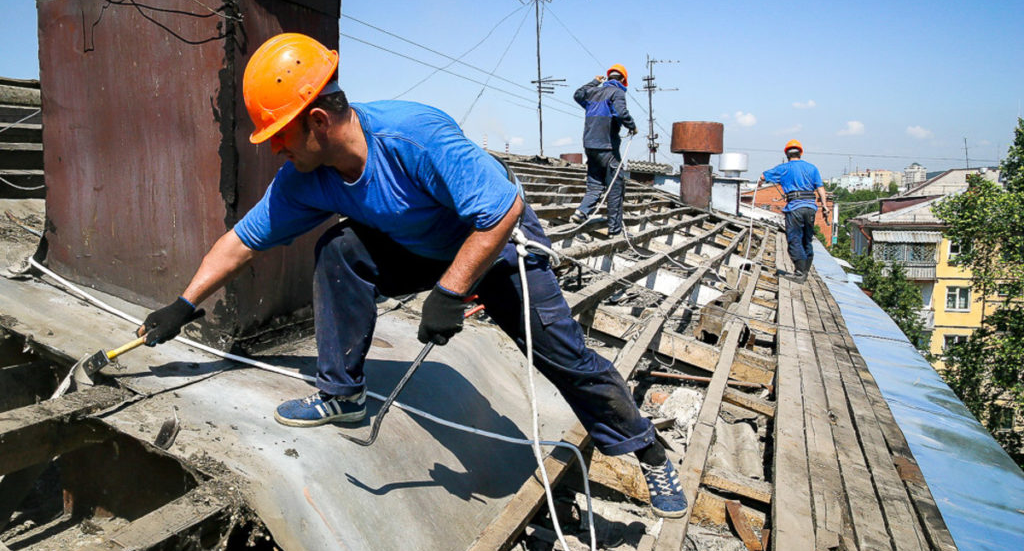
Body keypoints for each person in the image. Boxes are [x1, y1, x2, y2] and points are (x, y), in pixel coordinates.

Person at [137, 33, 686, 518]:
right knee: (341, 247)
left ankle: (647, 450)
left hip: (497, 245)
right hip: (422, 249)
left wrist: (450, 292)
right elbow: (241, 242)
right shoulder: (304, 179)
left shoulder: (413, 134)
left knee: (564, 357)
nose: (276, 149)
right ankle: (342, 395)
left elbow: (499, 213)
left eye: (281, 135)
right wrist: (184, 305)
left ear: (319, 122)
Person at [570, 64, 637, 236]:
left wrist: (593, 82)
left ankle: (582, 212)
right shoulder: (617, 92)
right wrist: (632, 126)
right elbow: (621, 114)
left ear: (608, 78)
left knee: (595, 184)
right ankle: (615, 230)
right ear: (623, 80)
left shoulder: (594, 92)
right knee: (615, 187)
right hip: (607, 147)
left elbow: (577, 94)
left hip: (590, 146)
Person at [759, 139, 829, 282]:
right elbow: (821, 188)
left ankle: (799, 274)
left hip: (794, 208)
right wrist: (825, 206)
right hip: (810, 208)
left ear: (787, 154)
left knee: (794, 239)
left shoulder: (783, 168)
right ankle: (805, 272)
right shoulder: (812, 168)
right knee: (807, 239)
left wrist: (761, 181)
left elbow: (763, 176)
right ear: (800, 153)